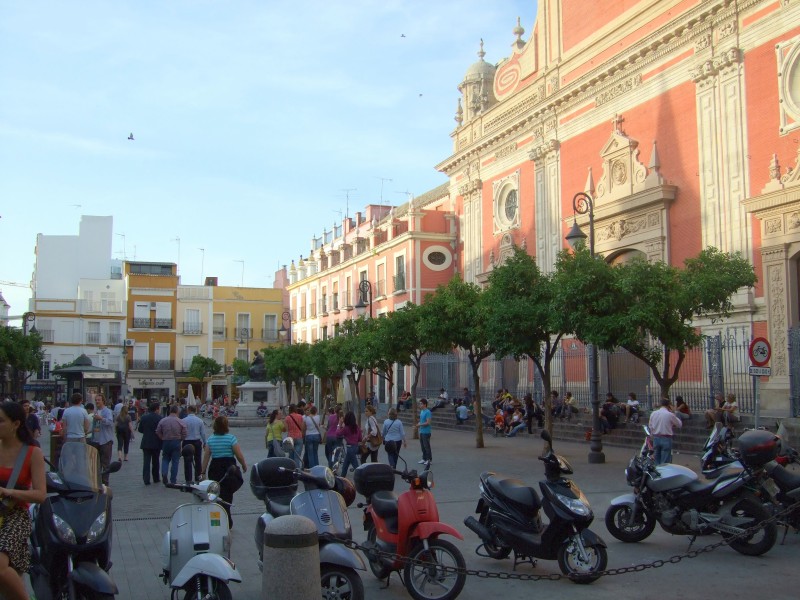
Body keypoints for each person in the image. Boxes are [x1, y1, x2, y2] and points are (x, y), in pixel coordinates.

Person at [0, 401, 47, 600]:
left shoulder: (32, 452)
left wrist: (9, 492)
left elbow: (40, 494)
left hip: (16, 516)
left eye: (0, 421)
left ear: (16, 424)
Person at [201, 416, 247, 529]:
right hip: (229, 468)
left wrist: (203, 472)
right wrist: (244, 465)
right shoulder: (231, 438)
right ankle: (227, 518)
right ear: (226, 426)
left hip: (215, 468)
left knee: (216, 494)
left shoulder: (211, 439)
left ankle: (219, 519)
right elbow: (238, 454)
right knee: (227, 494)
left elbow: (206, 456)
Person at [156, 404, 187, 486]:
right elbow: (184, 432)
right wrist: (181, 438)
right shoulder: (180, 421)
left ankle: (164, 473)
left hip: (166, 441)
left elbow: (158, 431)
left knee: (165, 458)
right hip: (176, 441)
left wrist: (162, 437)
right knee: (175, 461)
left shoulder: (163, 420)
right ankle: (173, 480)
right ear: (177, 412)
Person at [648, 397, 682, 465]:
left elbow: (650, 426)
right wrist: (674, 413)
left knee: (656, 458)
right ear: (668, 405)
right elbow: (679, 424)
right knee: (665, 461)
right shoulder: (669, 414)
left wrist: (652, 434)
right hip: (666, 438)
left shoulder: (653, 413)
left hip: (656, 437)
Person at [91, 395, 115, 485]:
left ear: (103, 401)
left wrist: (101, 418)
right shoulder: (96, 411)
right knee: (97, 463)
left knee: (105, 463)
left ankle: (105, 482)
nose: (97, 402)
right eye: (96, 400)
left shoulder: (107, 411)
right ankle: (97, 482)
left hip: (105, 440)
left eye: (99, 400)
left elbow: (110, 422)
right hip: (96, 440)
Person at [138, 402, 162, 485]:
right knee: (156, 461)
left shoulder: (144, 417)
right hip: (156, 442)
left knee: (146, 462)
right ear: (156, 409)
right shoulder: (160, 418)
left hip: (146, 442)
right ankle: (156, 478)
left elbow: (140, 429)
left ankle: (146, 479)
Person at [181, 405, 206, 484]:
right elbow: (203, 433)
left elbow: (181, 432)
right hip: (197, 441)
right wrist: (205, 442)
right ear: (195, 411)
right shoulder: (199, 420)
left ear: (188, 410)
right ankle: (198, 476)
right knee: (198, 460)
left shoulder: (183, 420)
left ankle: (188, 479)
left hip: (187, 441)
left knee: (187, 460)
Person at [337, 411, 361, 477]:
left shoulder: (346, 428)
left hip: (350, 448)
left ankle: (362, 478)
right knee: (345, 464)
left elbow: (338, 433)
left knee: (356, 467)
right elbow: (360, 438)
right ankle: (342, 477)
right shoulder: (357, 428)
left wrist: (339, 424)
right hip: (356, 447)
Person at [414, 398, 432, 464]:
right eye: (420, 403)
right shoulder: (422, 412)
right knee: (422, 446)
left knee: (427, 446)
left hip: (426, 432)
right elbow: (422, 421)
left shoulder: (428, 412)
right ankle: (424, 458)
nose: (420, 405)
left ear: (425, 404)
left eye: (421, 404)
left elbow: (428, 422)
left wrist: (420, 425)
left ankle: (429, 460)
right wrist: (418, 425)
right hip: (421, 431)